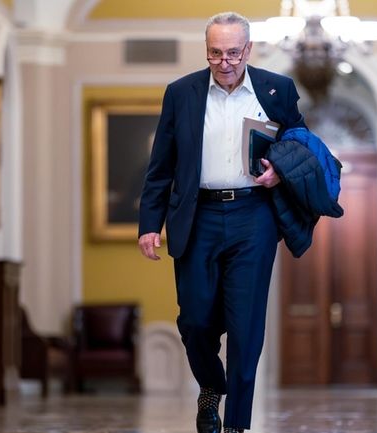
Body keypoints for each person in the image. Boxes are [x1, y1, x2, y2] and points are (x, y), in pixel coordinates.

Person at [138, 11, 306, 433]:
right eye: (216, 53)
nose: (225, 62)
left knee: (246, 324)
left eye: (233, 53)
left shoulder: (277, 90)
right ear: (206, 50)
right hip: (198, 216)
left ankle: (235, 425)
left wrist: (280, 172)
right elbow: (161, 167)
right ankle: (211, 386)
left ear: (248, 50)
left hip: (255, 216)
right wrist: (148, 224)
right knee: (195, 319)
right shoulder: (181, 93)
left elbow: (301, 145)